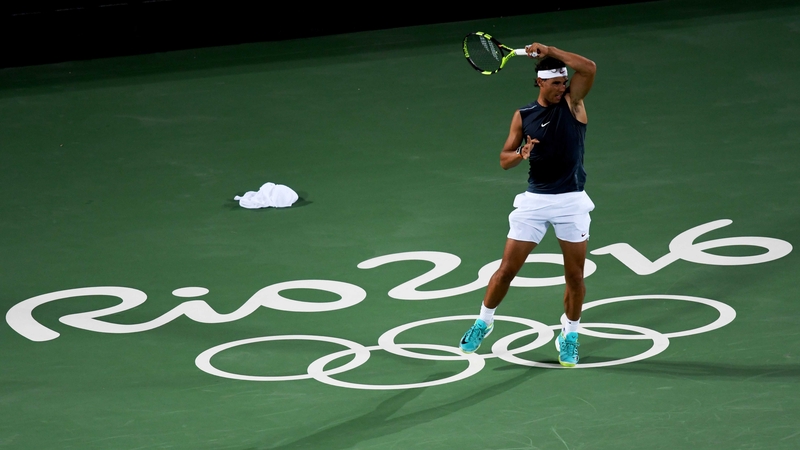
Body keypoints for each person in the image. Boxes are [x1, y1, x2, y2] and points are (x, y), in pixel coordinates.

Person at [458, 42, 597, 367]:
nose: (562, 87)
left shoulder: (573, 104)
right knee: (506, 270)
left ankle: (570, 335)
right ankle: (483, 323)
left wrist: (550, 49)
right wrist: (520, 154)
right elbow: (504, 161)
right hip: (534, 202)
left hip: (571, 202)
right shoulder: (524, 116)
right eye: (555, 83)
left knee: (575, 277)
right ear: (539, 83)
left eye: (564, 81)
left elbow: (588, 67)